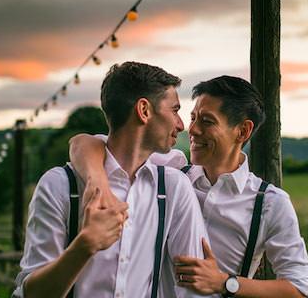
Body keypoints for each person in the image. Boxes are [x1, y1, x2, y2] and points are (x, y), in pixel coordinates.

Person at [70, 75, 308, 298]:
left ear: (243, 131)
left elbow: (301, 291)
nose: (194, 130)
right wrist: (97, 181)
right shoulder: (173, 171)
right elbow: (85, 143)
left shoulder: (270, 203)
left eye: (207, 122)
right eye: (193, 117)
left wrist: (223, 282)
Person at [14, 62, 209, 298]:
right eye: (174, 110)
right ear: (144, 111)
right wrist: (84, 247)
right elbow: (31, 294)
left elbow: (194, 289)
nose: (181, 124)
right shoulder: (59, 186)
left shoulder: (174, 187)